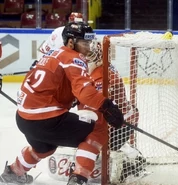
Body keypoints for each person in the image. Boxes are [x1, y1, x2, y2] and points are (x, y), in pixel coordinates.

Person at [0, 22, 124, 185]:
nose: (89, 48)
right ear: (71, 42)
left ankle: (14, 171)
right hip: (46, 120)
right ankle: (78, 178)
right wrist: (107, 106)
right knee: (97, 129)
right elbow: (85, 92)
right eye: (84, 43)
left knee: (45, 147)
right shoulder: (73, 58)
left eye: (89, 42)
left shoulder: (51, 55)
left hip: (23, 119)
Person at [81, 41, 148, 184]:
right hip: (121, 118)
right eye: (84, 55)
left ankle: (129, 164)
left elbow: (96, 108)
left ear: (99, 57)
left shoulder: (101, 77)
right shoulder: (100, 69)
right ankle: (130, 156)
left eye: (90, 56)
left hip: (119, 122)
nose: (85, 59)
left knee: (91, 133)